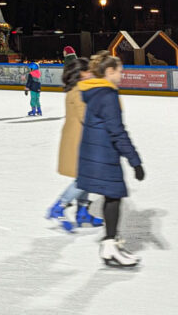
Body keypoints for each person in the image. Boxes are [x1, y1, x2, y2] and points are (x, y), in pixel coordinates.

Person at [76, 51, 145, 267]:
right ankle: (110, 245)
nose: (122, 75)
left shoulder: (95, 92)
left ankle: (109, 246)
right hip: (104, 153)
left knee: (112, 197)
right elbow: (117, 131)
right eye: (120, 71)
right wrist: (135, 161)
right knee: (114, 196)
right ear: (109, 71)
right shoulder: (108, 95)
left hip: (95, 153)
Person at [46, 57, 103, 231]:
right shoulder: (79, 91)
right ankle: (59, 207)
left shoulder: (77, 89)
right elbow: (86, 117)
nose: (92, 74)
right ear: (80, 73)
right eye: (89, 71)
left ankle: (82, 212)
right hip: (80, 140)